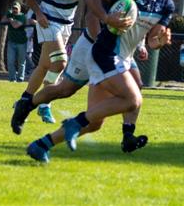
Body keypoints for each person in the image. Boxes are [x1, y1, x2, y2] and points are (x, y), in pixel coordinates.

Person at [21, 0, 179, 162]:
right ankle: (39, 109)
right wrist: (107, 19)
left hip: (122, 58)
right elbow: (94, 0)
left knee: (95, 122)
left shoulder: (167, 4)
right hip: (104, 52)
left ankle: (41, 144)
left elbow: (152, 40)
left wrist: (160, 42)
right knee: (132, 99)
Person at [12, 8, 150, 154]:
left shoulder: (158, 1)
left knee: (132, 89)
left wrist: (146, 44)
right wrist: (101, 41)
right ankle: (27, 104)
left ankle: (128, 134)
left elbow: (142, 27)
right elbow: (91, 12)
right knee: (65, 89)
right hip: (92, 46)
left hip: (119, 53)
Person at [13, 0, 99, 122]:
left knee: (44, 66)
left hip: (67, 24)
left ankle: (25, 100)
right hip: (48, 20)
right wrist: (38, 12)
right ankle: (44, 104)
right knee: (60, 62)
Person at [2, 1, 35, 82]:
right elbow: (2, 21)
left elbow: (15, 25)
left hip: (21, 42)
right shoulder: (10, 15)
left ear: (19, 9)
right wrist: (8, 15)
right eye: (13, 8)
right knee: (10, 61)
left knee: (21, 62)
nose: (14, 10)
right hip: (11, 42)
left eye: (16, 9)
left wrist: (10, 19)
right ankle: (12, 78)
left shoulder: (22, 16)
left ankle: (20, 78)